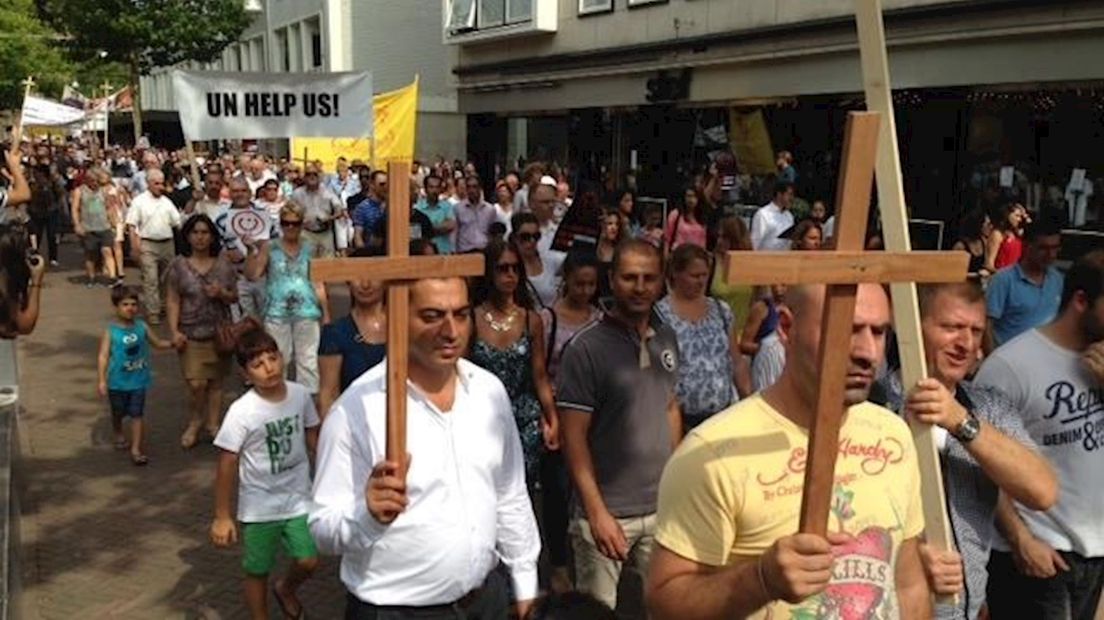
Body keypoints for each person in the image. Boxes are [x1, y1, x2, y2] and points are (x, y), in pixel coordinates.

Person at [646, 283, 931, 620]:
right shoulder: (712, 455)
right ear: (786, 327)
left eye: (879, 332)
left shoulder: (892, 435)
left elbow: (908, 584)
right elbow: (664, 602)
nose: (867, 352)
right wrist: (760, 580)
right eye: (847, 330)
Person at [309, 276, 542, 619]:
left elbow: (509, 492)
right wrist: (367, 515)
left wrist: (524, 580)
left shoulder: (488, 391)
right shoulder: (356, 410)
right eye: (432, 316)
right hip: (396, 611)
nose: (451, 331)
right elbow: (322, 528)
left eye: (461, 315)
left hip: (485, 601)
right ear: (394, 316)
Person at [872, 281, 1059, 619]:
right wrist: (910, 559)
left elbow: (1042, 490)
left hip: (965, 610)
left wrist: (961, 421)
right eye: (951, 328)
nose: (966, 344)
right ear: (913, 325)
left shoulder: (987, 408)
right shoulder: (873, 408)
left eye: (975, 331)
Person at [975, 250, 1104, 620]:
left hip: (1094, 552)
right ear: (1081, 301)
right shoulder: (1012, 366)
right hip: (1038, 554)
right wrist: (1020, 539)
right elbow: (981, 461)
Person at [556, 239, 682, 611]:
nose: (640, 287)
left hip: (660, 509)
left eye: (649, 278)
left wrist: (676, 484)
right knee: (599, 612)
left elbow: (670, 406)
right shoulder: (586, 348)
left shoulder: (666, 337)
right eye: (629, 277)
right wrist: (596, 513)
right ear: (611, 280)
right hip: (607, 513)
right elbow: (573, 437)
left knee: (661, 608)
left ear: (661, 282)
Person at [210, 328, 320, 620]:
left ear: (282, 358)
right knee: (257, 570)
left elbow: (312, 437)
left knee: (308, 559)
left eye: (272, 358)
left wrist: (331, 474)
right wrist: (222, 515)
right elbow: (227, 462)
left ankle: (285, 588)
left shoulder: (299, 395)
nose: (268, 368)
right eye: (257, 365)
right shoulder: (242, 411)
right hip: (260, 507)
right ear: (246, 375)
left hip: (298, 498)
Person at [469, 240, 560, 486]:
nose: (510, 275)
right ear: (489, 272)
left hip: (523, 417)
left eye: (515, 268)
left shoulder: (532, 320)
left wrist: (551, 418)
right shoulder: (471, 318)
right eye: (502, 268)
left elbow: (539, 375)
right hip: (481, 418)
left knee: (521, 490)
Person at [540, 250, 602, 592]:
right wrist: (549, 414)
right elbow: (538, 370)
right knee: (557, 492)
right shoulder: (548, 319)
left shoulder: (601, 319)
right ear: (567, 281)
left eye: (591, 284)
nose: (585, 290)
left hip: (594, 419)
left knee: (587, 490)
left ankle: (586, 556)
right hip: (559, 417)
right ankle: (559, 563)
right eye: (579, 283)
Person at [166, 214, 239, 448]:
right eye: (195, 232)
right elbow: (172, 300)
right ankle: (196, 419)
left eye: (205, 232)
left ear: (212, 236)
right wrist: (174, 330)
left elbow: (234, 296)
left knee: (216, 382)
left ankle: (213, 423)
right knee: (196, 383)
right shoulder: (179, 265)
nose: (200, 237)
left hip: (219, 332)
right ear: (187, 236)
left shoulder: (223, 264)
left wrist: (222, 293)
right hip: (190, 333)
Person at [245, 202, 330, 395]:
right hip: (276, 312)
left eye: (295, 223)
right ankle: (280, 402)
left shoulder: (311, 248)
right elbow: (253, 274)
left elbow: (318, 282)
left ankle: (308, 406)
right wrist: (251, 251)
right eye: (286, 223)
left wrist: (326, 313)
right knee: (278, 359)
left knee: (308, 361)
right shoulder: (269, 247)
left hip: (307, 310)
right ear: (280, 224)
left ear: (302, 224)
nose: (290, 227)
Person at [655, 244, 740, 429]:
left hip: (724, 417)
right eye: (694, 276)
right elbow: (660, 379)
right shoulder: (659, 316)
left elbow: (736, 361)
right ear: (676, 274)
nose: (701, 281)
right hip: (682, 422)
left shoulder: (721, 311)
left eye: (704, 275)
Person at [96, 286, 172, 465]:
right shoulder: (111, 331)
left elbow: (158, 343)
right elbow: (103, 355)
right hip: (117, 382)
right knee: (118, 412)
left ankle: (136, 449)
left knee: (137, 414)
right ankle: (118, 432)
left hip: (138, 381)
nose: (130, 308)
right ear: (116, 306)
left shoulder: (142, 326)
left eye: (133, 304)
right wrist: (101, 379)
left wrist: (173, 344)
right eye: (125, 304)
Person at [317, 250, 386, 418]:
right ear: (348, 280)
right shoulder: (335, 333)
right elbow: (328, 395)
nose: (365, 284)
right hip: (355, 427)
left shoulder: (407, 326)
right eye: (358, 276)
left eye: (374, 276)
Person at [986, 218, 1064, 347]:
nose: (1050, 255)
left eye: (1055, 248)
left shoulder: (1057, 280)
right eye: (1043, 248)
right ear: (1027, 246)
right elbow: (987, 325)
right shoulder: (1003, 280)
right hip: (1009, 361)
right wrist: (992, 359)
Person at [127, 168, 182, 323]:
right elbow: (132, 225)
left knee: (168, 279)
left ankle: (165, 306)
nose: (160, 187)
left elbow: (177, 222)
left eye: (162, 183)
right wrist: (134, 246)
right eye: (156, 183)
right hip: (148, 244)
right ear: (148, 184)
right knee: (150, 279)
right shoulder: (139, 202)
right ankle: (153, 312)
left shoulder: (166, 202)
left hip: (167, 243)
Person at [71, 167, 117, 288]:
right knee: (90, 254)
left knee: (107, 251)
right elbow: (75, 209)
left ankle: (112, 277)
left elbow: (109, 208)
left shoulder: (104, 191)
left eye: (97, 181)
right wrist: (77, 224)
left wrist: (114, 224)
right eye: (93, 181)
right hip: (88, 227)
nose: (95, 184)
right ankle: (91, 277)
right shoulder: (79, 191)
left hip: (104, 226)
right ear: (88, 180)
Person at [741, 284, 788, 392]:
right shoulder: (761, 308)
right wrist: (767, 349)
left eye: (784, 284)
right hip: (766, 370)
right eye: (776, 284)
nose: (778, 289)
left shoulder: (798, 308)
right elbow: (744, 344)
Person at [291, 165, 344, 258]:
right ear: (304, 177)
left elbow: (339, 210)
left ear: (319, 176)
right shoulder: (297, 194)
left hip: (326, 234)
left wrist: (329, 218)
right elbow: (289, 211)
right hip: (306, 233)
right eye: (308, 174)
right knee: (307, 263)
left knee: (327, 265)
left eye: (314, 174)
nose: (312, 177)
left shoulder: (328, 192)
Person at [512, 213, 562, 309]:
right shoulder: (509, 267)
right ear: (515, 238)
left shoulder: (550, 261)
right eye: (525, 237)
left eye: (536, 236)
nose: (532, 241)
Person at [415, 174, 456, 254]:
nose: (435, 190)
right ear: (425, 189)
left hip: (444, 252)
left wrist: (426, 228)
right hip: (423, 254)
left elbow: (450, 225)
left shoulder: (447, 206)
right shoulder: (418, 207)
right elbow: (415, 233)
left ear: (441, 189)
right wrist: (440, 227)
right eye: (431, 187)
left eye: (437, 187)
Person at [455, 175, 497, 253]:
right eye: (469, 187)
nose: (471, 190)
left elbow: (492, 233)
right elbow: (455, 232)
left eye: (474, 187)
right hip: (465, 251)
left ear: (480, 188)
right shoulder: (458, 208)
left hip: (484, 250)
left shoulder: (490, 209)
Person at [750, 180, 796, 251]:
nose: (791, 198)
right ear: (779, 194)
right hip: (765, 258)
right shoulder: (763, 214)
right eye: (789, 194)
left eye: (792, 195)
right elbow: (755, 241)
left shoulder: (789, 216)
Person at [664, 187, 709, 253]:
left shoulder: (702, 217)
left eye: (694, 196)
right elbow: (667, 239)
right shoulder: (676, 214)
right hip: (678, 254)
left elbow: (703, 241)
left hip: (696, 256)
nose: (691, 200)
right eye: (689, 196)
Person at [984, 202, 1026, 272]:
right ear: (1008, 215)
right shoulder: (997, 234)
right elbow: (989, 263)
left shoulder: (1017, 235)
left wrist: (1025, 216)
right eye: (1016, 216)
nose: (1019, 219)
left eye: (1020, 217)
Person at [352, 170, 388, 250]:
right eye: (382, 184)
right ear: (372, 185)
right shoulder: (362, 208)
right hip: (372, 252)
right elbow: (358, 236)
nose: (385, 188)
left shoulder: (393, 206)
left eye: (387, 184)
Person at [595, 209, 623, 302]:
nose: (614, 228)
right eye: (610, 224)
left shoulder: (620, 251)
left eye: (616, 224)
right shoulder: (594, 248)